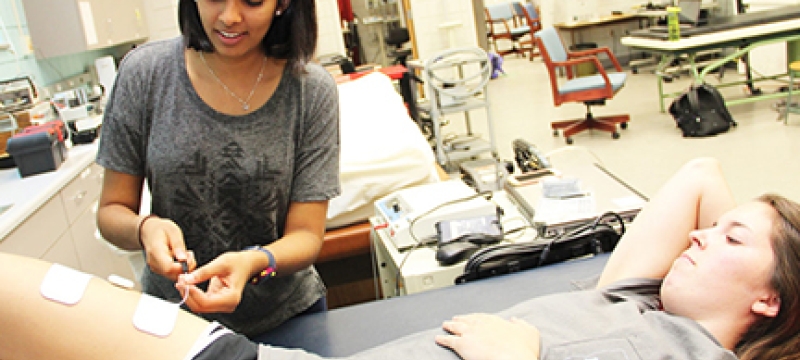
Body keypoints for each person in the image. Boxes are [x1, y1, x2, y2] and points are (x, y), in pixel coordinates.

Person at [2, 158, 800, 360]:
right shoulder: (639, 298)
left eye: (728, 240)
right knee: (22, 294)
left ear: (770, 298)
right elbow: (698, 178)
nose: (699, 235)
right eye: (709, 231)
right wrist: (737, 252)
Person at [94, 0, 340, 338]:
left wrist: (254, 262)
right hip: (174, 321)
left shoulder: (310, 89)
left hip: (286, 319)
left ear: (282, 4)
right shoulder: (145, 73)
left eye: (252, 1)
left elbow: (307, 235)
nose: (229, 17)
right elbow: (111, 211)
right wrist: (146, 229)